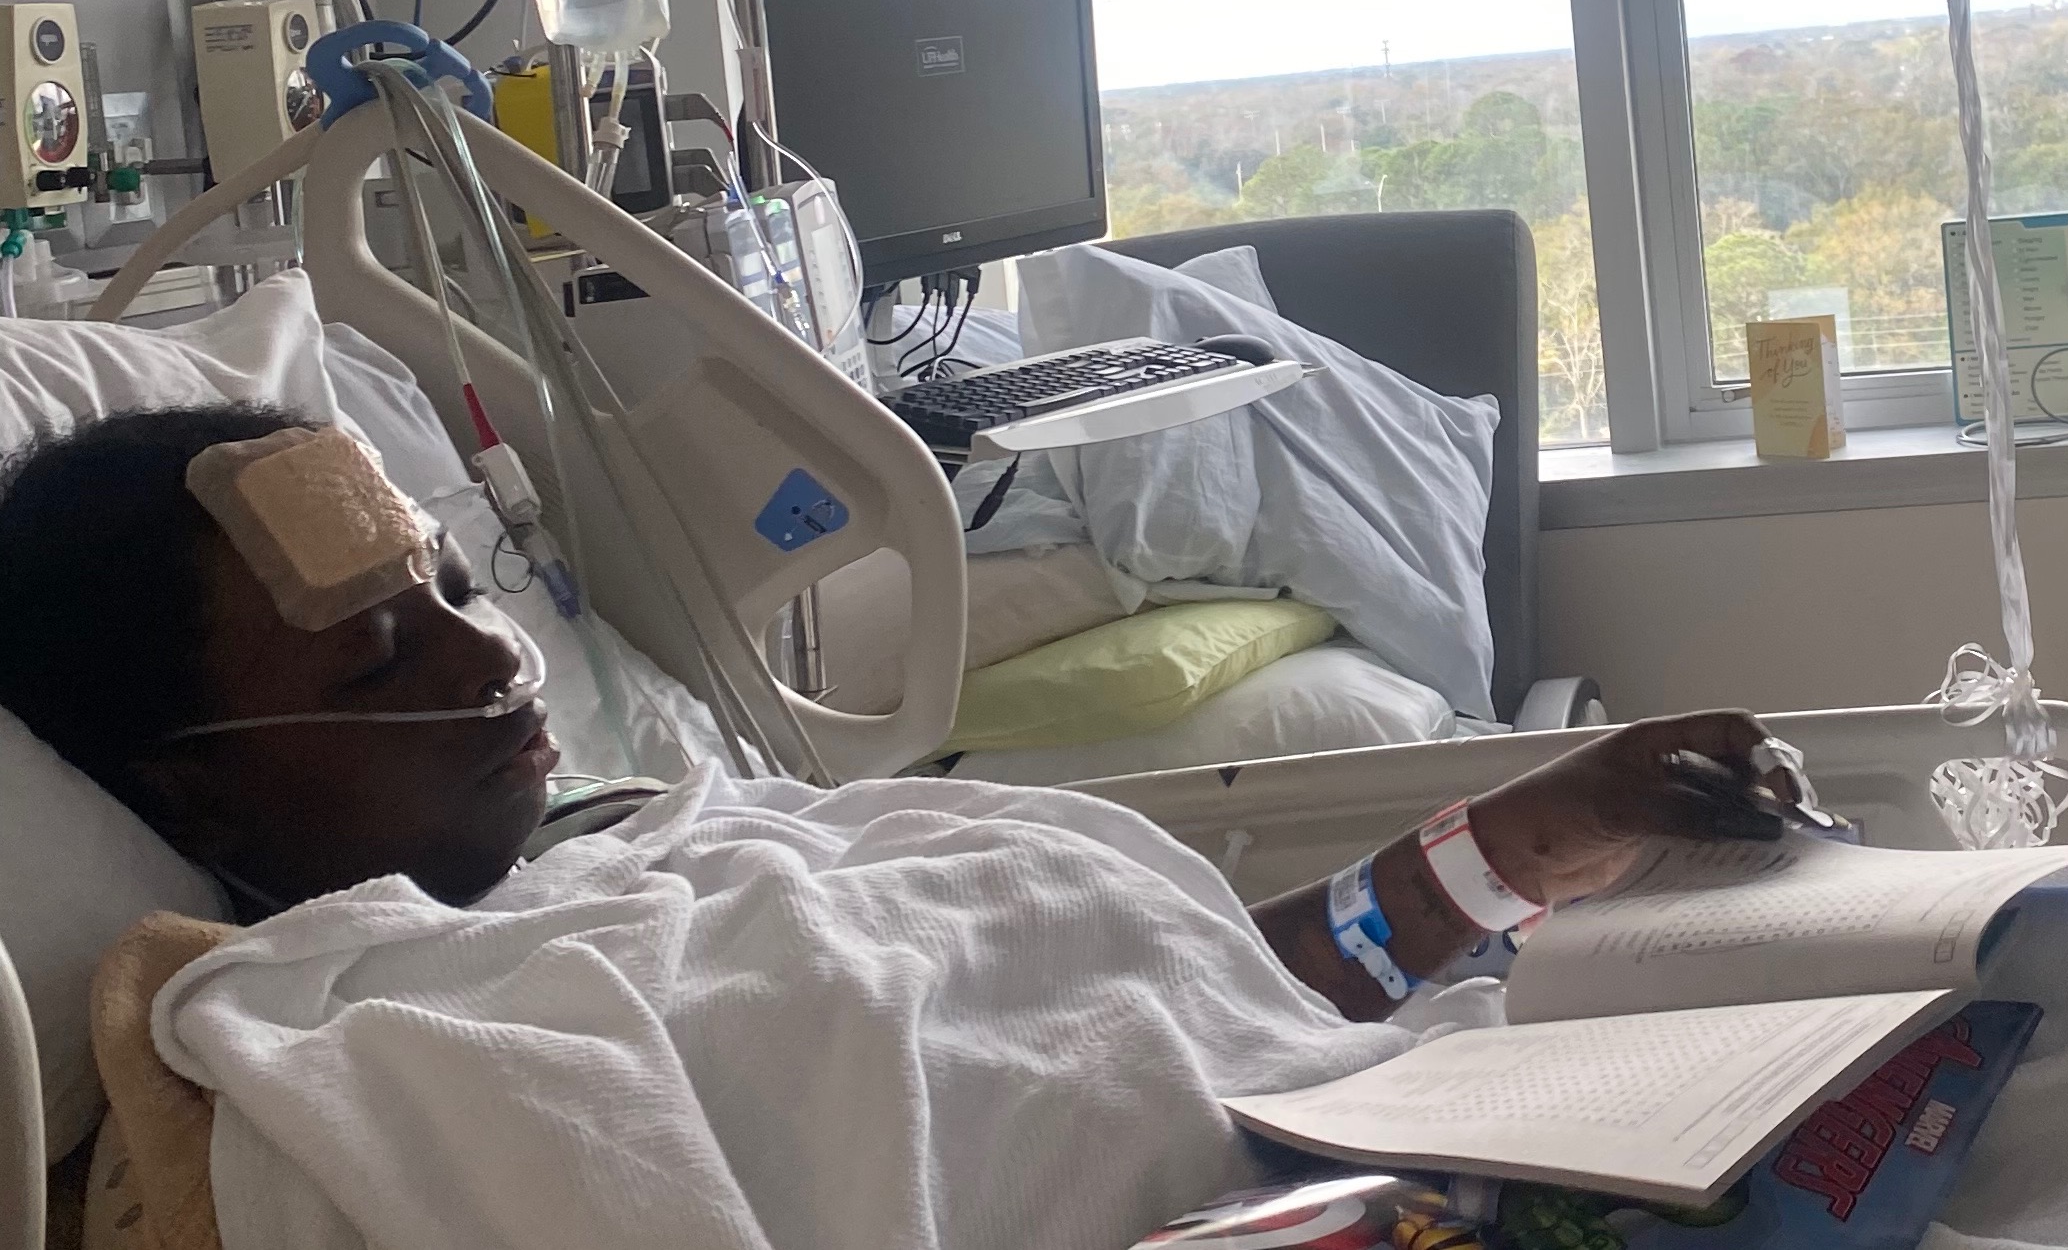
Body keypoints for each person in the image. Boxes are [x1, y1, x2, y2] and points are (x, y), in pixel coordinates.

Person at [0, 403, 1798, 1022]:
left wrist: (1524, 842)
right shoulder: (380, 1035)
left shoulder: (685, 847)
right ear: (200, 804)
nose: (488, 664)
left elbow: (1191, 989)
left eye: (463, 597)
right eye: (379, 663)